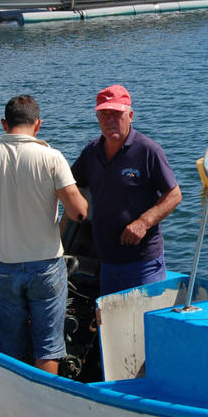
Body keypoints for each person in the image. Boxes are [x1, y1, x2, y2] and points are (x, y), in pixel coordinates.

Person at [0, 95, 87, 374]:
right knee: (48, 348)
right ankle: (44, 403)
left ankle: (13, 399)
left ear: (5, 124)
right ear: (38, 124)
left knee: (9, 346)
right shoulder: (51, 157)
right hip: (45, 266)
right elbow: (78, 212)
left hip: (3, 266)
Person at [70, 84, 181, 297]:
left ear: (130, 115)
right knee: (113, 326)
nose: (110, 120)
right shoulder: (91, 151)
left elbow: (174, 195)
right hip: (107, 263)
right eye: (104, 114)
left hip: (143, 263)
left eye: (116, 114)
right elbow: (70, 186)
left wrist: (143, 223)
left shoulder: (148, 150)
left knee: (142, 324)